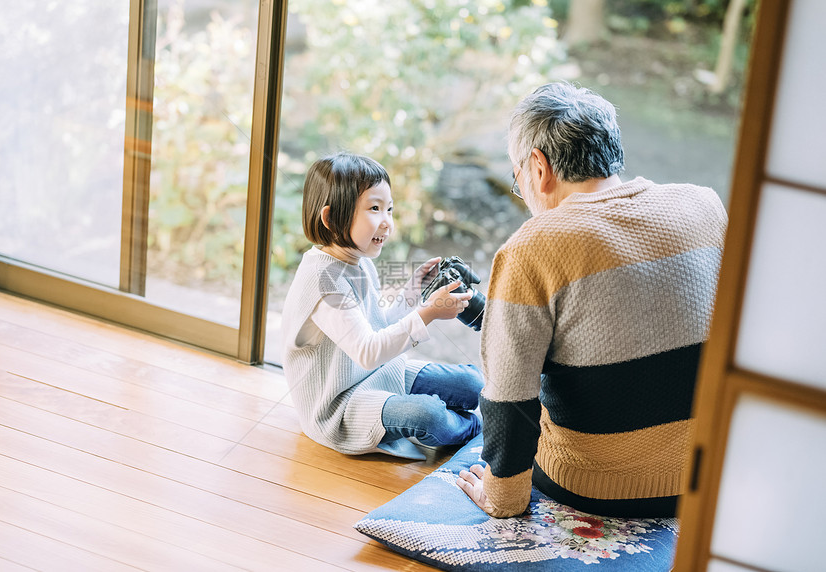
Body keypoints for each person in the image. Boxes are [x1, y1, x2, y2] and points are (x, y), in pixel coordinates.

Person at [456, 82, 727, 518]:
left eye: (516, 175)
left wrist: (503, 497)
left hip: (597, 486)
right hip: (710, 471)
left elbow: (509, 396)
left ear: (538, 167)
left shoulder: (533, 246)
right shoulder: (704, 204)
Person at [282, 152, 483, 458]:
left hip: (375, 374)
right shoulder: (324, 279)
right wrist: (428, 314)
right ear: (330, 218)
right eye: (374, 209)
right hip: (339, 404)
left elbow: (376, 329)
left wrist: (412, 294)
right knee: (429, 416)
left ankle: (461, 426)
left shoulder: (358, 262)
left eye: (389, 209)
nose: (387, 222)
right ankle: (475, 429)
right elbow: (367, 351)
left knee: (471, 383)